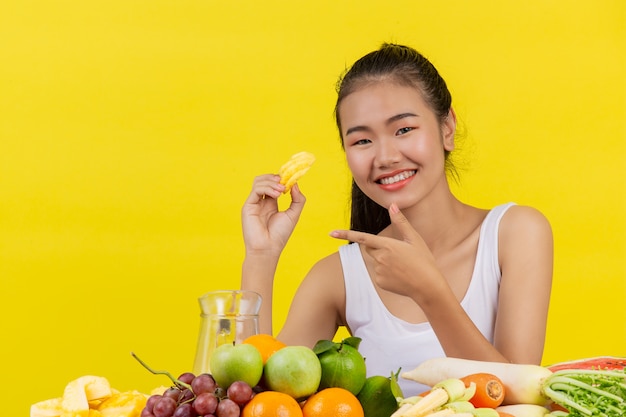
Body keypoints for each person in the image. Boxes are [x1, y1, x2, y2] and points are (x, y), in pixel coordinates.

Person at [240, 43, 553, 396]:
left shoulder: (516, 233)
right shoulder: (338, 277)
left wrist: (430, 291)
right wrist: (260, 258)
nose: (385, 157)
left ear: (446, 127)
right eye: (362, 141)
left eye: (403, 130)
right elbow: (261, 399)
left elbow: (518, 396)